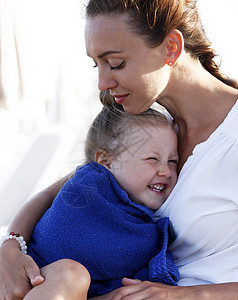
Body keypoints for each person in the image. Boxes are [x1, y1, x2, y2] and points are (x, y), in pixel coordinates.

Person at [0, 0, 238, 299]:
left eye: (115, 64)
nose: (102, 82)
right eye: (96, 64)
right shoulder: (152, 127)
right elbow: (56, 190)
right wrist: (11, 245)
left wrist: (187, 295)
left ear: (171, 48)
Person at [16, 104, 179, 299]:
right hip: (31, 276)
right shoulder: (85, 186)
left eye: (173, 161)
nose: (165, 171)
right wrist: (11, 244)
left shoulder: (144, 233)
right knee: (70, 275)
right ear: (106, 162)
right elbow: (45, 201)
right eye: (152, 159)